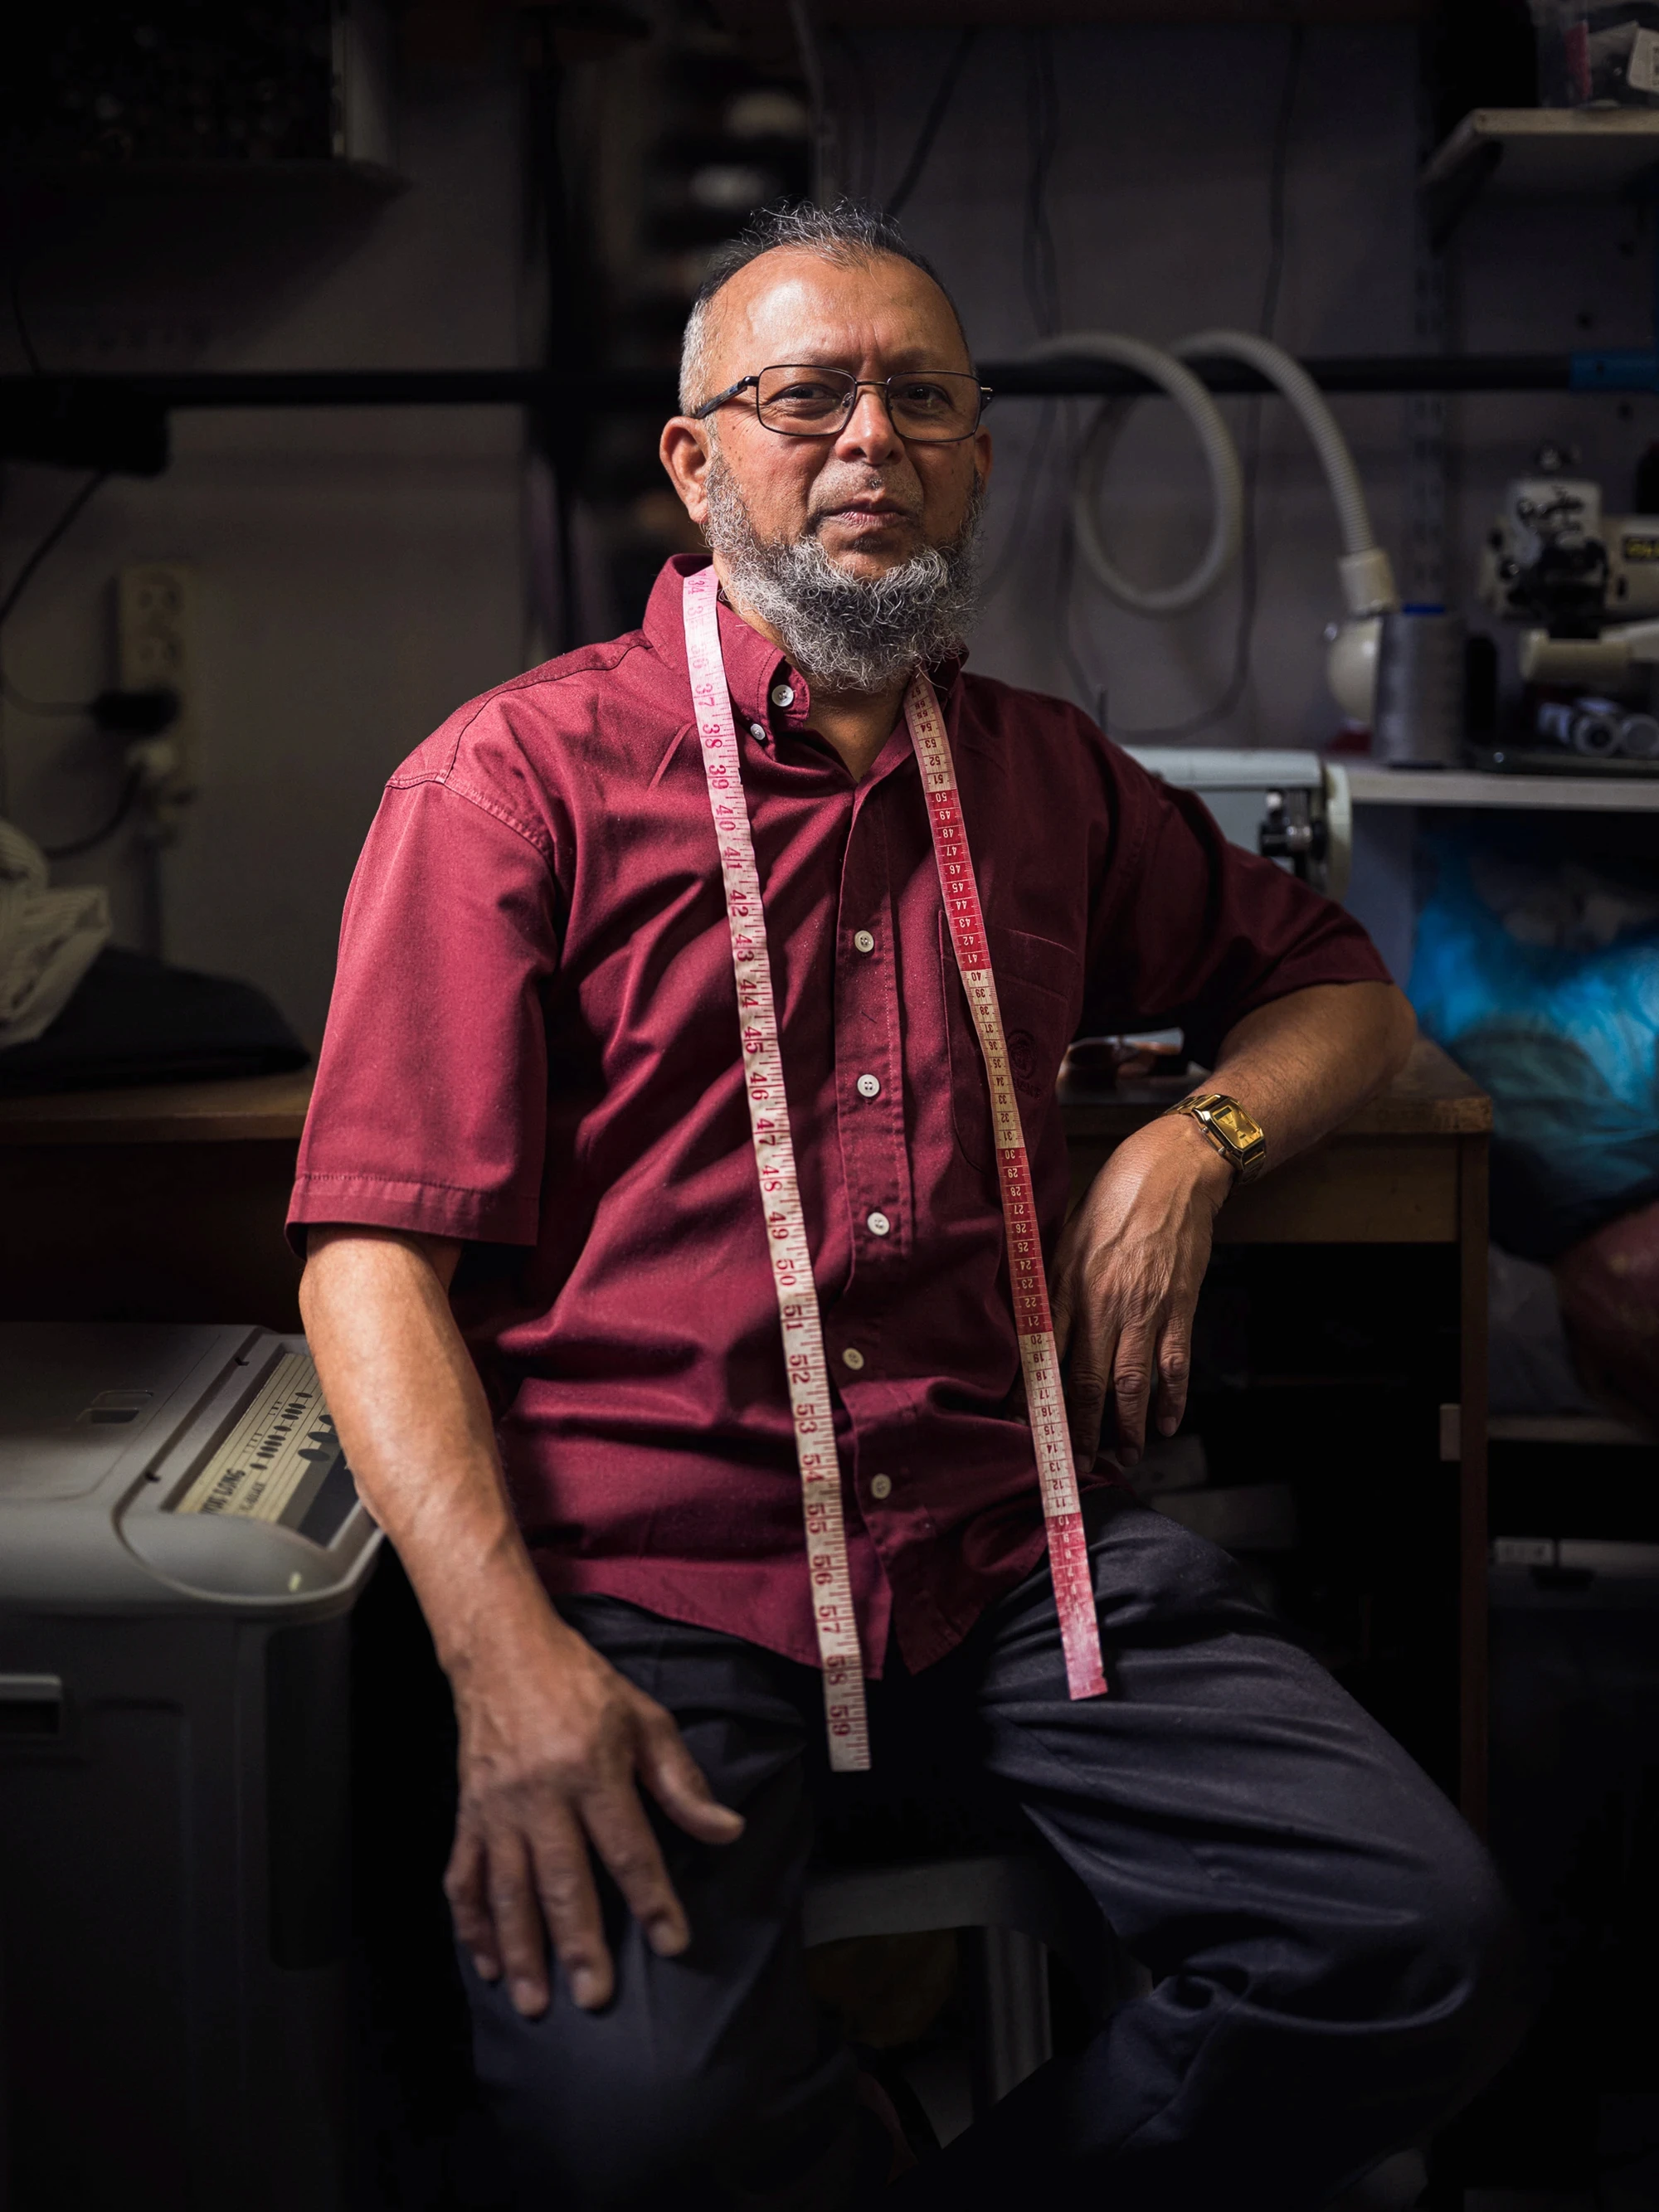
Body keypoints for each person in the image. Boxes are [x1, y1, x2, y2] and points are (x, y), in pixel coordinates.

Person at [294, 202, 1521, 2210]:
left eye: (921, 399)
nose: (871, 438)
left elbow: (1339, 990)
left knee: (1419, 1950)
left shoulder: (1044, 780)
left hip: (998, 1551)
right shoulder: (509, 784)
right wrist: (501, 1657)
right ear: (694, 464)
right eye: (806, 398)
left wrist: (1185, 1148)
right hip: (655, 1572)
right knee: (639, 2142)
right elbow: (369, 1265)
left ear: (976, 459)